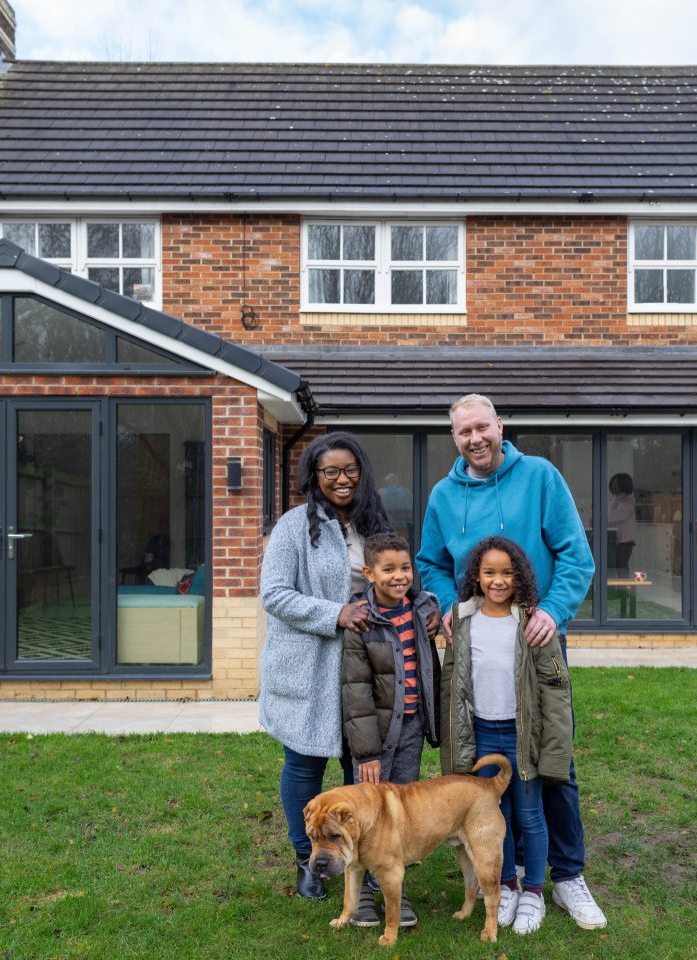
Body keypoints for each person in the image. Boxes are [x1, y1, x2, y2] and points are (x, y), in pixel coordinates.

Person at [416, 393, 607, 930]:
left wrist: (553, 608)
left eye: (483, 427)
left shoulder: (540, 477)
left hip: (537, 642)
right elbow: (430, 563)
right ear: (453, 438)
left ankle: (566, 876)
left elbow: (576, 554)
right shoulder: (444, 496)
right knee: (485, 761)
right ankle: (510, 872)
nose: (475, 439)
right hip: (476, 649)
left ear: (500, 426)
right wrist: (446, 607)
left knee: (553, 764)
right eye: (463, 432)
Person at [259, 432, 390, 900]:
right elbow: (273, 594)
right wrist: (334, 613)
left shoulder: (373, 523)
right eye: (330, 471)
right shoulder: (294, 526)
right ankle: (307, 859)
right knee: (304, 765)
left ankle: (366, 861)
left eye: (349, 470)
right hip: (308, 667)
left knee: (365, 771)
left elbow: (395, 576)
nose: (341, 479)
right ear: (314, 476)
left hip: (364, 667)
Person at [440, 536, 572, 936]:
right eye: (489, 573)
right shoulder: (461, 619)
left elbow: (555, 690)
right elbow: (452, 683)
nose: (498, 581)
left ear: (520, 577)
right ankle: (508, 886)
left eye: (507, 573)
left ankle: (534, 891)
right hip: (480, 735)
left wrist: (554, 751)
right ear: (475, 577)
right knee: (498, 816)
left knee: (530, 815)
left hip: (520, 737)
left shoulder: (532, 623)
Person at [340, 531, 442, 930]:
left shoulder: (420, 608)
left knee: (400, 815)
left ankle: (394, 887)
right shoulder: (362, 621)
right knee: (367, 814)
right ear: (369, 572)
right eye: (389, 569)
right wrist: (366, 753)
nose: (400, 576)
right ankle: (363, 895)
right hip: (375, 736)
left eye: (405, 568)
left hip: (412, 729)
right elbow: (356, 690)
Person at [607, 473, 637, 575]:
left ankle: (623, 589)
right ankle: (619, 588)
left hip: (624, 541)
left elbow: (613, 516)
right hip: (616, 540)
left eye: (617, 484)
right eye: (613, 483)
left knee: (621, 566)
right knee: (616, 566)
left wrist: (601, 517)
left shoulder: (628, 500)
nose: (615, 486)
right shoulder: (615, 499)